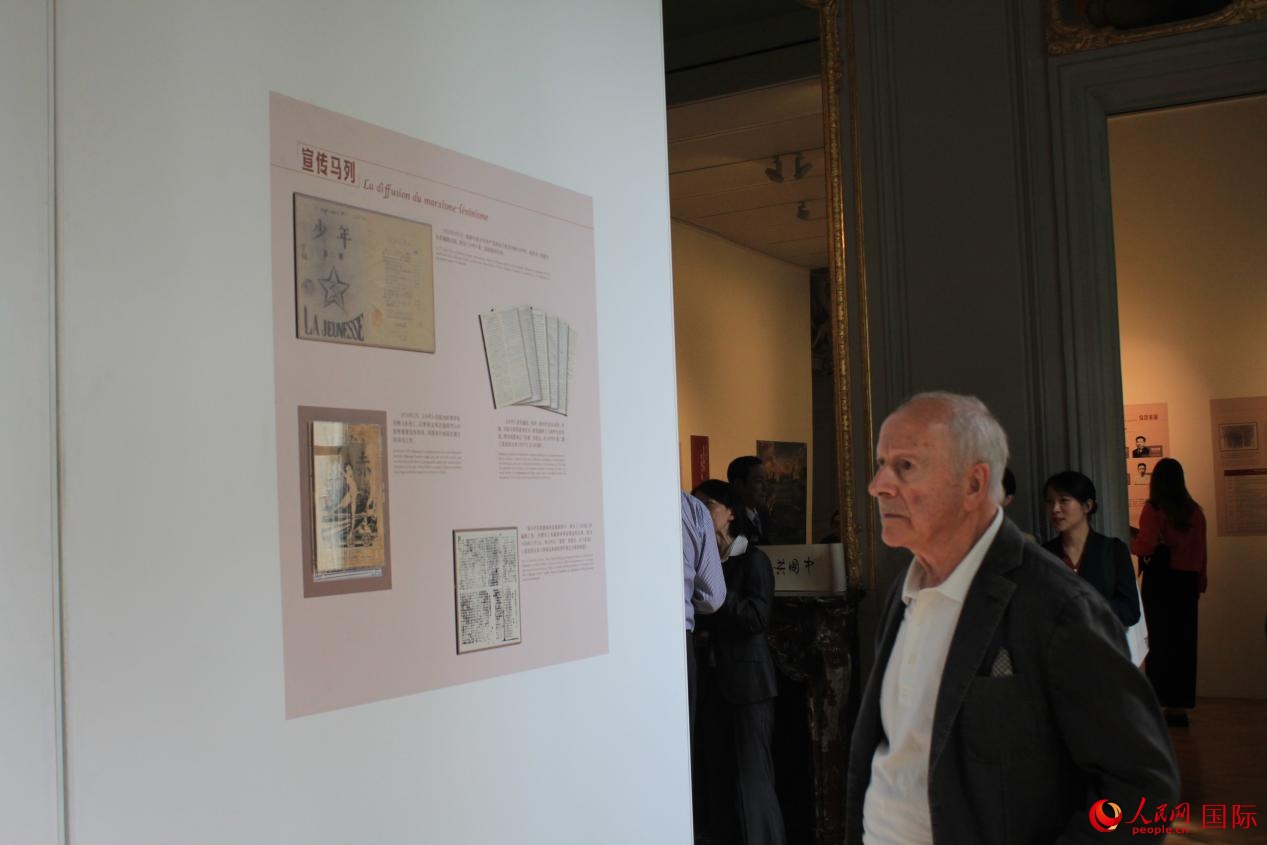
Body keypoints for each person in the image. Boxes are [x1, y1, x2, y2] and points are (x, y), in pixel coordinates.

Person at [846, 392, 1178, 845]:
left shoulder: (1058, 606)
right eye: (881, 464)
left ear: (973, 484)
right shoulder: (905, 590)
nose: (878, 485)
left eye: (905, 466)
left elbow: (1144, 791)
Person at [692, 479, 785, 845]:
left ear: (730, 512)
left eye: (708, 506)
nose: (701, 514)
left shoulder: (753, 560)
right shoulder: (702, 561)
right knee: (717, 776)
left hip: (749, 686)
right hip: (713, 683)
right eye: (695, 507)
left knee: (753, 780)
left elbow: (757, 618)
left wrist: (716, 594)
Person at [1131, 457, 1207, 728]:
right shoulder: (1194, 511)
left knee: (1160, 642)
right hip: (1186, 583)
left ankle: (1158, 700)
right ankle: (1178, 706)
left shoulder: (1154, 509)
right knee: (1184, 643)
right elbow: (1201, 551)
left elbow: (1146, 546)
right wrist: (1199, 580)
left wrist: (1130, 541)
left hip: (1161, 582)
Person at [1041, 470, 1141, 628]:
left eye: (1064, 500)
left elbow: (1131, 610)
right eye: (1049, 502)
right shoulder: (1043, 554)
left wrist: (1088, 610)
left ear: (1087, 506)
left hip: (1102, 641)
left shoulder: (1113, 550)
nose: (1055, 509)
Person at [682, 490, 726, 735]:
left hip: (612, 637)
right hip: (677, 636)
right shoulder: (691, 508)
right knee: (677, 734)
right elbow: (712, 597)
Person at [727, 456, 772, 544]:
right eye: (759, 481)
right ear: (739, 484)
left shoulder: (763, 512)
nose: (765, 487)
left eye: (766, 480)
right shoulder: (729, 520)